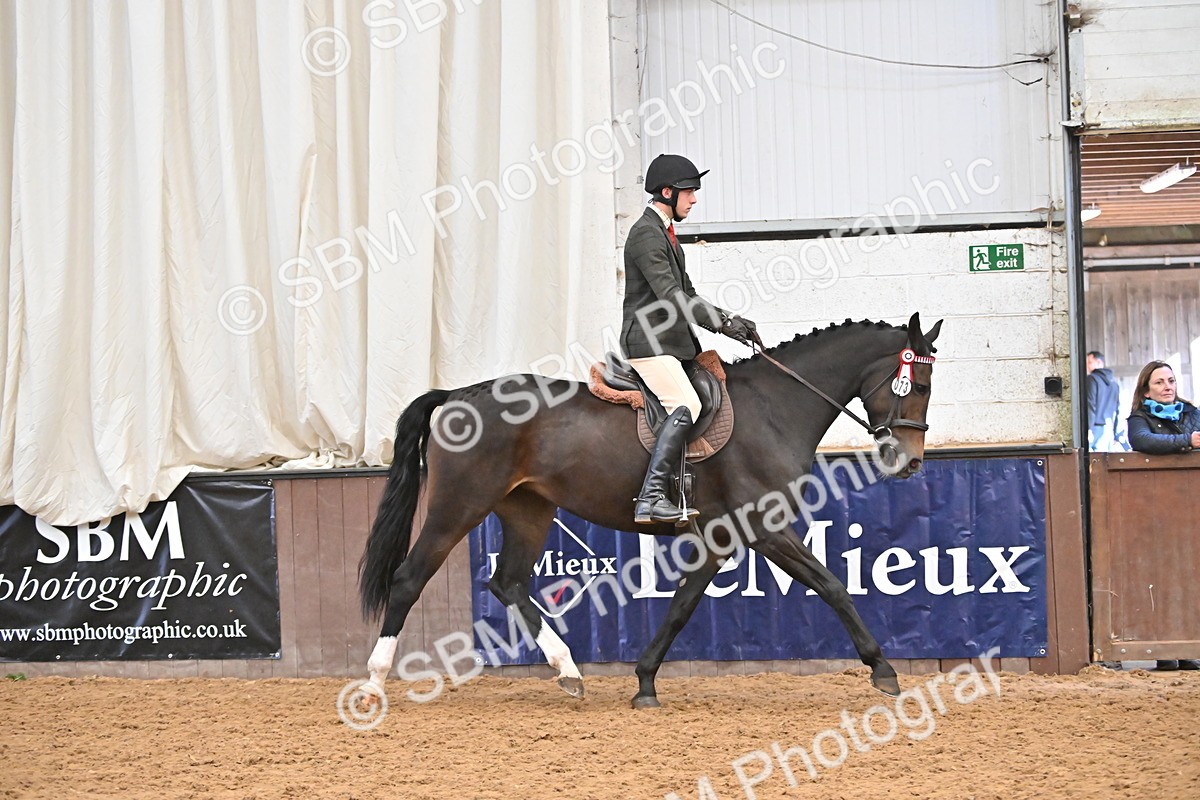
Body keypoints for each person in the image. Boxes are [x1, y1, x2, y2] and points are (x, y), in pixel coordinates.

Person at [620, 154, 757, 524]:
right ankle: (650, 498)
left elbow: (689, 292)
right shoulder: (646, 234)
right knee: (687, 405)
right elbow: (672, 297)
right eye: (689, 192)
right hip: (649, 345)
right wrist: (722, 325)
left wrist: (731, 320)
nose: (694, 199)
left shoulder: (665, 234)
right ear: (668, 192)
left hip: (671, 344)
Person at [1125, 360, 1200, 671]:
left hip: (1190, 503)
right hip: (1154, 505)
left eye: (1170, 381)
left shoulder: (1191, 411)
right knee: (1159, 574)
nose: (1168, 387)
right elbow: (1142, 441)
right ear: (1146, 389)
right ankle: (1165, 650)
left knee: (1188, 573)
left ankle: (1187, 645)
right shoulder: (1139, 418)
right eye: (1159, 382)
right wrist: (1186, 442)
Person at [1086, 351, 1122, 451]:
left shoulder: (1092, 379)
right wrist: (1115, 433)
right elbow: (1117, 410)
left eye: (1089, 362)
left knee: (1092, 461)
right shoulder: (1114, 383)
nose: (1087, 366)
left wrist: (1088, 428)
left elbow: (1090, 404)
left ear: (1099, 362)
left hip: (1095, 427)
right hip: (1109, 428)